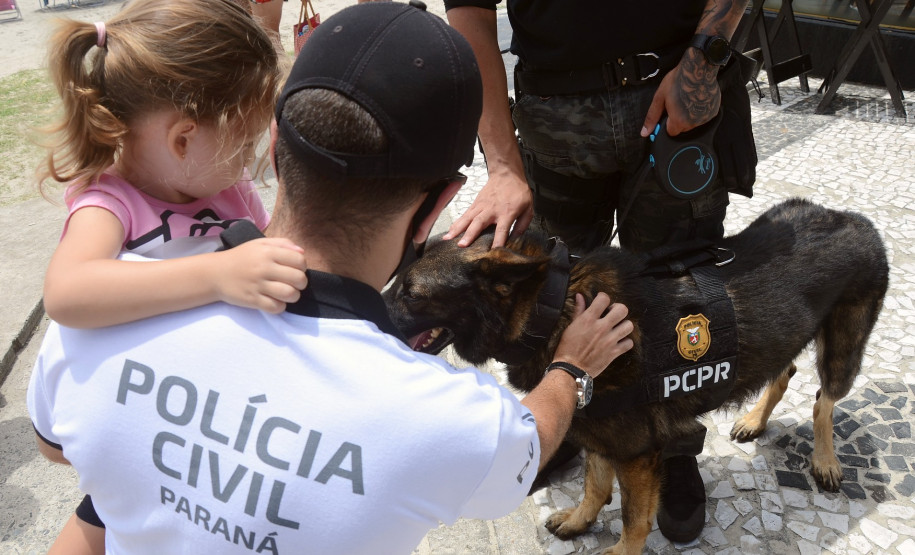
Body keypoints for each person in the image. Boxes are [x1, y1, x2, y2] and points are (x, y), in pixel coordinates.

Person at [28, 2, 634, 554]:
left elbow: (58, 450)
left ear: (275, 140)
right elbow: (528, 452)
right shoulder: (453, 420)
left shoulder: (90, 326)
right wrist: (572, 370)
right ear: (437, 205)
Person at [441, 0, 753, 544]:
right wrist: (504, 165)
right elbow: (470, 11)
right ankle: (578, 431)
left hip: (675, 92)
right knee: (558, 307)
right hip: (555, 117)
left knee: (679, 297)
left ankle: (674, 445)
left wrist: (703, 61)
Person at [34, 0, 307, 552]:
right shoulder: (107, 203)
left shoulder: (224, 189)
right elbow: (67, 293)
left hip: (201, 409)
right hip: (132, 417)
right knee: (101, 516)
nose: (248, 160)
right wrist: (217, 275)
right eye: (245, 143)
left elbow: (265, 253)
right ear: (183, 139)